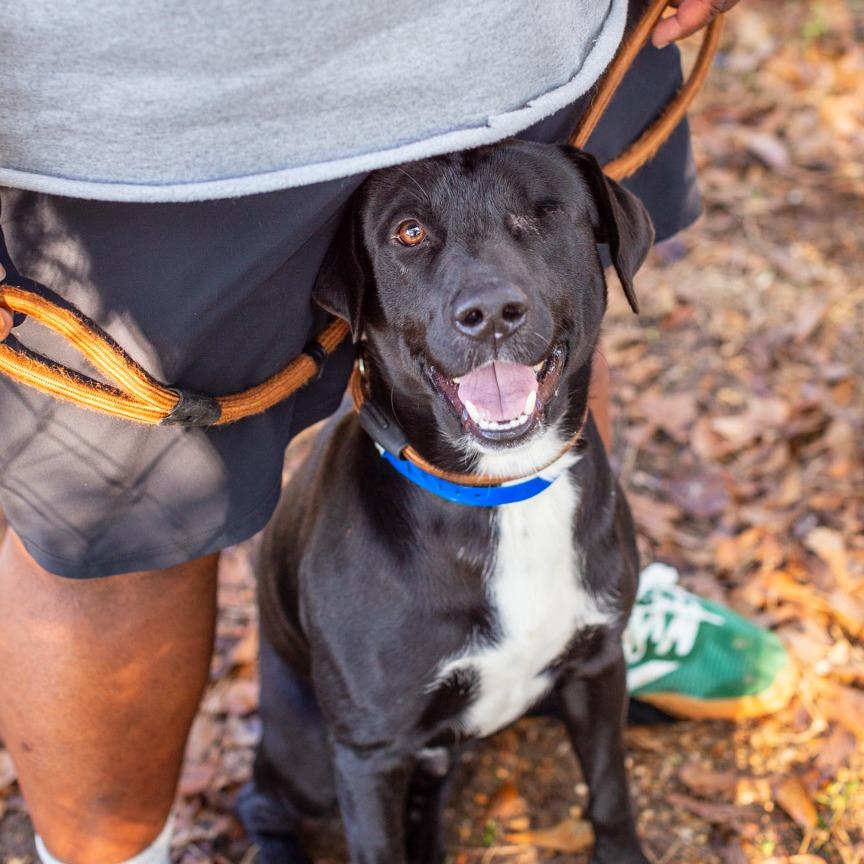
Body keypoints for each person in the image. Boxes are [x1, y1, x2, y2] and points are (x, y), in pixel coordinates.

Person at [0, 1, 738, 862]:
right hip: (145, 127)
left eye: (538, 216)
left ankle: (571, 632)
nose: (488, 293)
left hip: (521, 39)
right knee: (116, 513)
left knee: (537, 327)